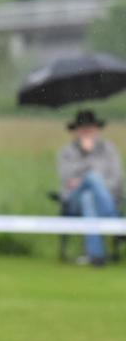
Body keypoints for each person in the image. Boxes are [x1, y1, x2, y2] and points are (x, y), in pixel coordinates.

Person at [57, 109, 122, 266]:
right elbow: (67, 180)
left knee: (89, 198)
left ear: (97, 129)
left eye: (90, 129)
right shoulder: (67, 152)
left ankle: (96, 256)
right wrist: (88, 156)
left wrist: (91, 183)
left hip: (103, 199)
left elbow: (117, 180)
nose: (87, 132)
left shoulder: (109, 151)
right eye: (83, 129)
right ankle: (115, 221)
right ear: (76, 131)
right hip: (74, 201)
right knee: (92, 179)